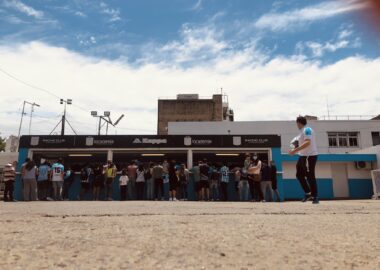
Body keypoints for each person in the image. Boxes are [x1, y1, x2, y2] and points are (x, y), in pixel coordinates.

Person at [289, 116, 319, 204]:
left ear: (298, 123)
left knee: (310, 175)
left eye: (296, 123)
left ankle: (315, 196)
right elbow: (295, 143)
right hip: (302, 156)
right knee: (299, 175)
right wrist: (293, 145)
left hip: (309, 156)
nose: (296, 125)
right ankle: (308, 193)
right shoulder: (300, 133)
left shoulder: (307, 129)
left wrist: (294, 150)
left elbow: (307, 142)